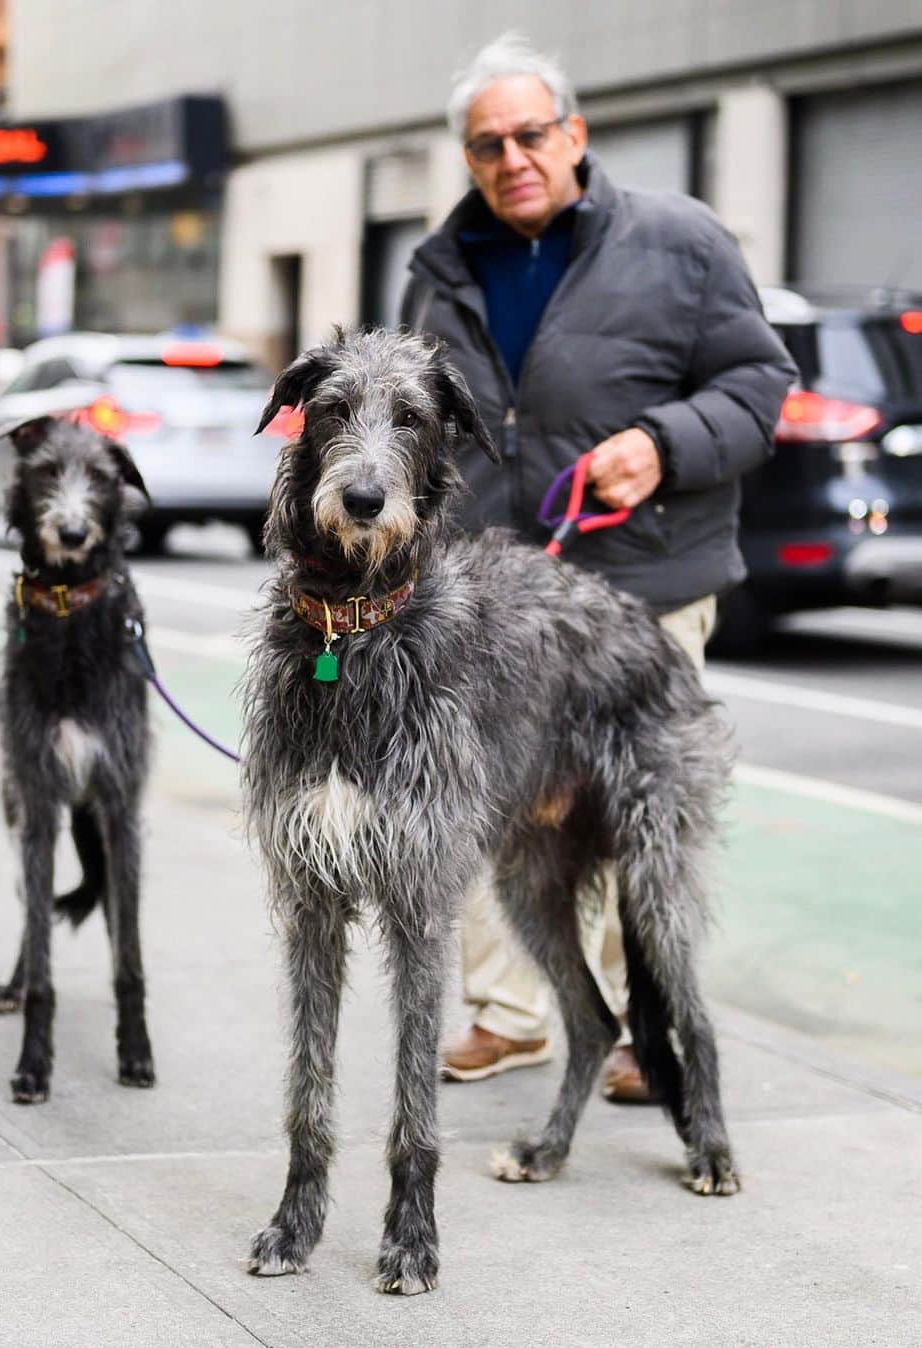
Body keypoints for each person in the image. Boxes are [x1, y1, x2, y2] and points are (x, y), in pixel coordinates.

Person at [401, 33, 796, 1097]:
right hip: (490, 603)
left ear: (574, 133)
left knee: (634, 812)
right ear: (470, 159)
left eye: (532, 133)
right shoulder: (438, 268)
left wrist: (663, 445)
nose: (512, 157)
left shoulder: (680, 241)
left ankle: (641, 1029)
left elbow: (761, 388)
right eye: (487, 144)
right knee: (486, 802)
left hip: (642, 585)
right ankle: (511, 1012)